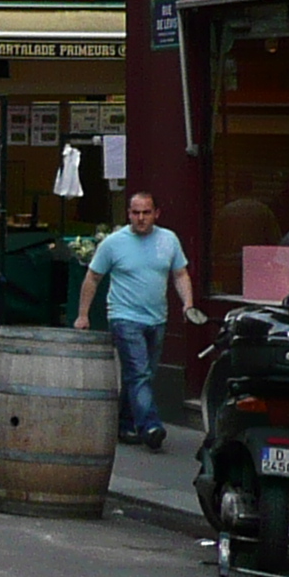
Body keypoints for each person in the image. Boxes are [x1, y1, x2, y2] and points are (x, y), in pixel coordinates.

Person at [75, 188, 202, 452]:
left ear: (157, 214)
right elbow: (93, 277)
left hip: (157, 318)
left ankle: (124, 424)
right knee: (139, 372)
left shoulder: (169, 240)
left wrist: (187, 303)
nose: (141, 218)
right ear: (128, 214)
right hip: (124, 316)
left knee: (142, 375)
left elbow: (180, 274)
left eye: (146, 212)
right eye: (135, 213)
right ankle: (151, 426)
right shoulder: (113, 243)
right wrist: (83, 314)